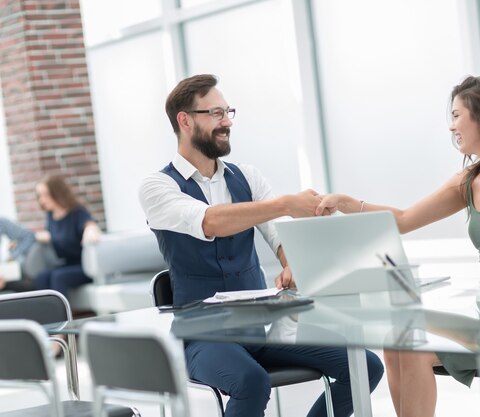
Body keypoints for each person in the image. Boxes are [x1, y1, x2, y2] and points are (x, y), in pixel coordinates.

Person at [316, 74, 480, 417]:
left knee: (416, 349)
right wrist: (347, 202)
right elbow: (403, 219)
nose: (451, 127)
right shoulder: (470, 180)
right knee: (396, 337)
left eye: (457, 115)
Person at [139, 74, 384, 417]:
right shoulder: (157, 187)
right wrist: (284, 203)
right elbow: (209, 221)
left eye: (228, 112)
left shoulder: (247, 177)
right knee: (252, 381)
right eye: (215, 113)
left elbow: (278, 233)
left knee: (365, 365)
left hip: (261, 333)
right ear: (185, 119)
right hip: (203, 338)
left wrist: (290, 261)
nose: (227, 122)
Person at [34, 175, 100, 298]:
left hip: (84, 265)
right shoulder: (50, 216)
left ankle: (62, 317)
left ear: (57, 193)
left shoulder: (77, 212)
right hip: (67, 264)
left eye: (45, 194)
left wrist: (90, 230)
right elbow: (54, 237)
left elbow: (90, 225)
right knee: (41, 277)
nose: (42, 200)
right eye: (39, 196)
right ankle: (43, 317)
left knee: (58, 276)